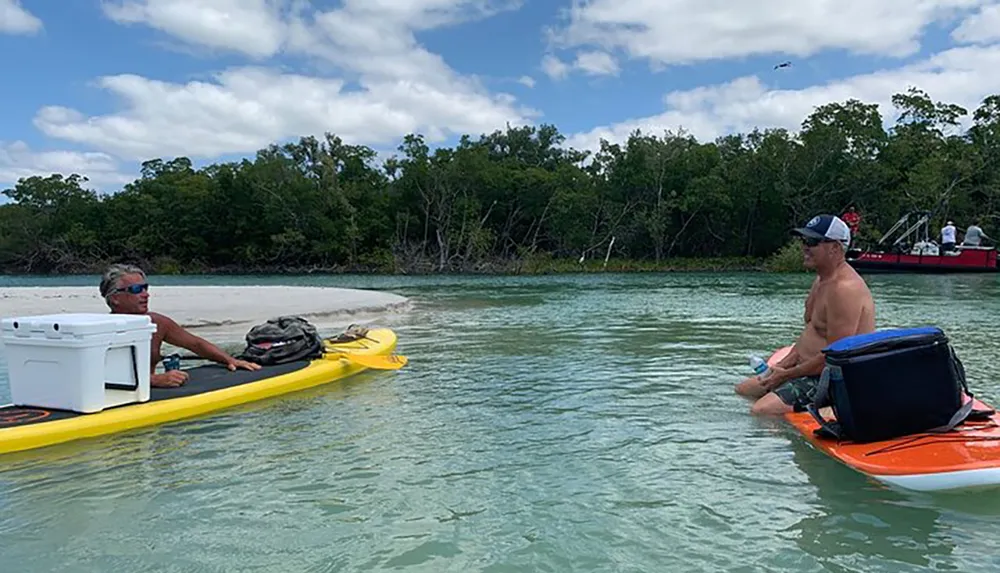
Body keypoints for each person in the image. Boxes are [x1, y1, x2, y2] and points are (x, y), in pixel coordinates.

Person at [735, 214, 876, 415]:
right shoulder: (821, 280)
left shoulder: (844, 289)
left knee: (761, 411)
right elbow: (810, 332)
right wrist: (782, 366)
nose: (804, 247)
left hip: (833, 378)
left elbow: (835, 356)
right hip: (804, 369)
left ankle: (823, 413)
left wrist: (787, 375)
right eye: (803, 240)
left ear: (835, 247)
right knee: (743, 390)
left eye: (812, 242)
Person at [99, 263, 261, 388]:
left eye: (145, 288)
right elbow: (94, 376)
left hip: (149, 393)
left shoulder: (157, 323)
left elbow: (195, 344)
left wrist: (230, 360)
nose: (145, 294)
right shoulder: (98, 330)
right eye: (136, 289)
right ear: (115, 298)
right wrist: (153, 380)